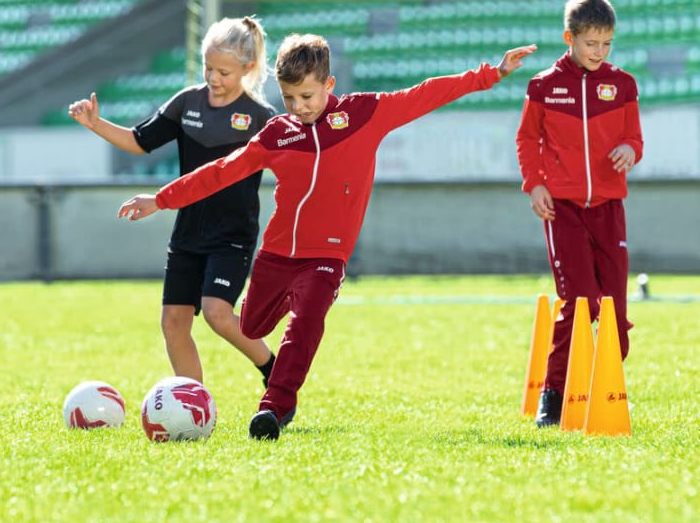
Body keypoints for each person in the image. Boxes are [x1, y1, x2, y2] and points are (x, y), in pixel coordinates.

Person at [118, 33, 537, 440]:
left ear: (329, 85)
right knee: (250, 322)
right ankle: (273, 353)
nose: (299, 108)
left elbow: (425, 94)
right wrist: (162, 198)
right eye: (289, 99)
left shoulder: (363, 115)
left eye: (308, 97)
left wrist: (491, 74)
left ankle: (275, 407)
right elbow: (222, 171)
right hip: (276, 255)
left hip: (327, 257)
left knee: (305, 323)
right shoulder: (276, 134)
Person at [68, 16, 278, 385]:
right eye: (208, 68)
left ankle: (274, 373)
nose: (214, 78)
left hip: (232, 236)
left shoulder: (262, 118)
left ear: (247, 69)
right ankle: (194, 403)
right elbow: (139, 141)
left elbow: (295, 160)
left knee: (217, 313)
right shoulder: (187, 103)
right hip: (187, 235)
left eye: (224, 72)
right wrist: (96, 124)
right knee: (173, 322)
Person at [515, 0, 644, 428]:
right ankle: (553, 395)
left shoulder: (623, 84)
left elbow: (636, 138)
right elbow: (526, 140)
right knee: (580, 301)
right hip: (563, 209)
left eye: (607, 44)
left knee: (615, 307)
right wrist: (535, 185)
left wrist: (630, 148)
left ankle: (602, 386)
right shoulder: (543, 86)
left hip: (610, 208)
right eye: (591, 43)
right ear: (569, 37)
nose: (599, 52)